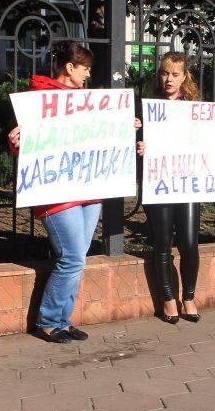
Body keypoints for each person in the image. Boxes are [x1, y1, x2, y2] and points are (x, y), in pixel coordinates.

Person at [8, 41, 140, 343]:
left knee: (77, 256)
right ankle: (48, 321)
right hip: (56, 195)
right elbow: (24, 147)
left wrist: (124, 125)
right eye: (85, 68)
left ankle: (63, 320)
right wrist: (16, 143)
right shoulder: (38, 98)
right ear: (69, 67)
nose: (88, 74)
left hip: (89, 192)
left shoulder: (89, 101)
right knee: (72, 258)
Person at [136, 52, 215, 324]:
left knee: (189, 242)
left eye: (175, 74)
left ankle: (188, 296)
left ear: (184, 77)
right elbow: (130, 143)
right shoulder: (145, 109)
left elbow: (213, 140)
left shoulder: (194, 108)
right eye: (165, 73)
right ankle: (168, 299)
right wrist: (138, 143)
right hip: (159, 183)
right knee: (162, 242)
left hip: (187, 185)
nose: (169, 79)